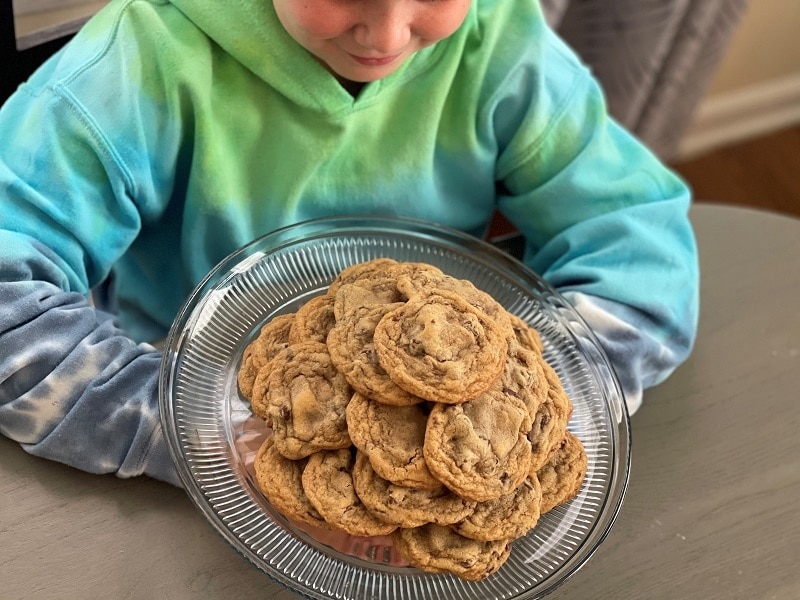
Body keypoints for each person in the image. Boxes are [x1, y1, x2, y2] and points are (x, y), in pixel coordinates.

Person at [0, 0, 698, 487]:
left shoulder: (507, 49)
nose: (387, 33)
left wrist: (515, 418)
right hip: (171, 378)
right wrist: (194, 439)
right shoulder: (136, 63)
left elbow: (642, 253)